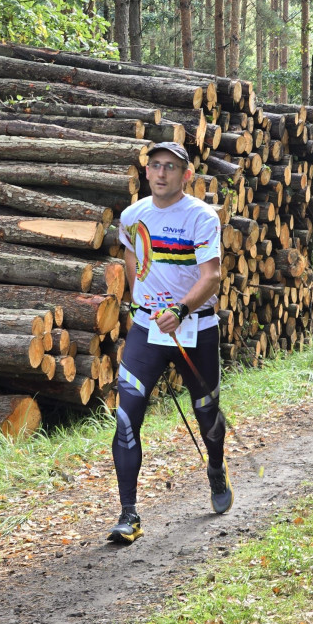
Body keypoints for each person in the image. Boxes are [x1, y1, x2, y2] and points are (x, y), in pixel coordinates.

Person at [108, 142, 233, 544]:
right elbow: (132, 257)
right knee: (127, 415)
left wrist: (179, 310)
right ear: (146, 172)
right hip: (147, 330)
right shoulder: (132, 215)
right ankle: (129, 514)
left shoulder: (202, 217)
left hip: (195, 327)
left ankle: (216, 466)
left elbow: (211, 276)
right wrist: (139, 304)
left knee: (206, 412)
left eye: (171, 167)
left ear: (187, 175)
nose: (161, 174)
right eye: (155, 166)